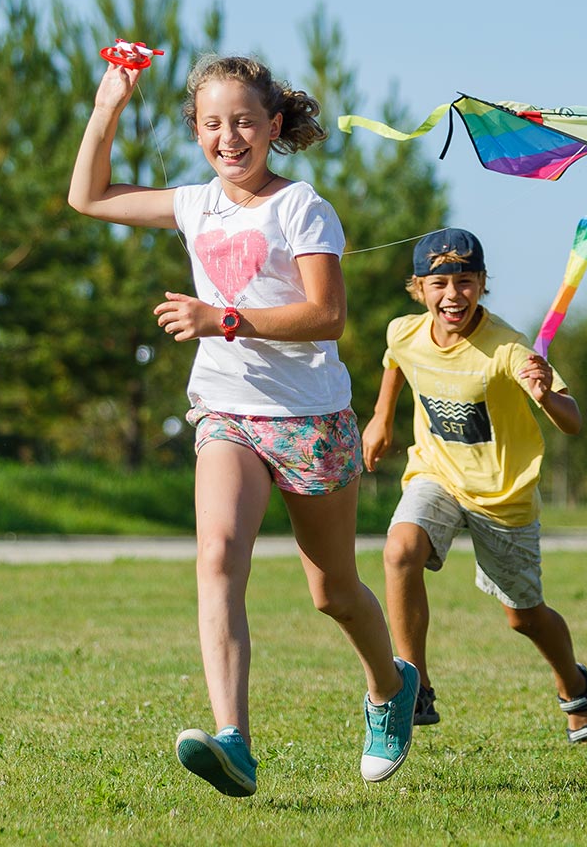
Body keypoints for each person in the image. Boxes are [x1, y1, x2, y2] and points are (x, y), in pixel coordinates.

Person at [67, 53, 418, 797]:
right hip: (228, 412)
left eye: (245, 122)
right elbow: (88, 197)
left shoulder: (302, 208)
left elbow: (327, 316)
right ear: (196, 130)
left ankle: (390, 687)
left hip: (310, 418)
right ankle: (235, 741)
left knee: (334, 592)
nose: (230, 138)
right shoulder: (197, 204)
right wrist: (109, 105)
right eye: (213, 124)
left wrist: (221, 318)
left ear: (275, 126)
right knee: (218, 555)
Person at [364, 228, 587, 745]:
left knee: (523, 617)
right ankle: (415, 685)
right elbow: (396, 362)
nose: (453, 294)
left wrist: (546, 396)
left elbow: (573, 421)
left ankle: (575, 689)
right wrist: (381, 418)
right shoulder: (403, 332)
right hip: (437, 473)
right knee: (399, 550)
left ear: (481, 284)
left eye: (465, 281)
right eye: (440, 283)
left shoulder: (509, 348)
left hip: (502, 495)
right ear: (419, 287)